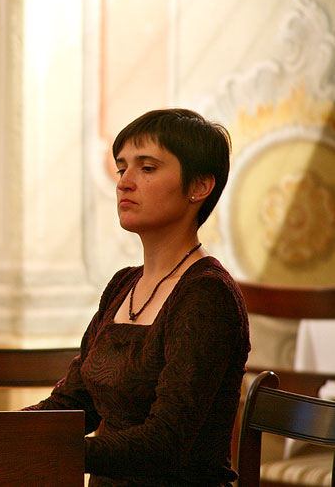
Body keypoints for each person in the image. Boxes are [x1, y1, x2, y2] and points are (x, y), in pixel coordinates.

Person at [24, 108, 250, 487]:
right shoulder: (122, 285)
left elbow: (165, 444)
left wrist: (50, 451)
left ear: (199, 187)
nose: (125, 182)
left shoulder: (208, 295)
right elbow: (73, 405)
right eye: (121, 167)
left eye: (147, 168)